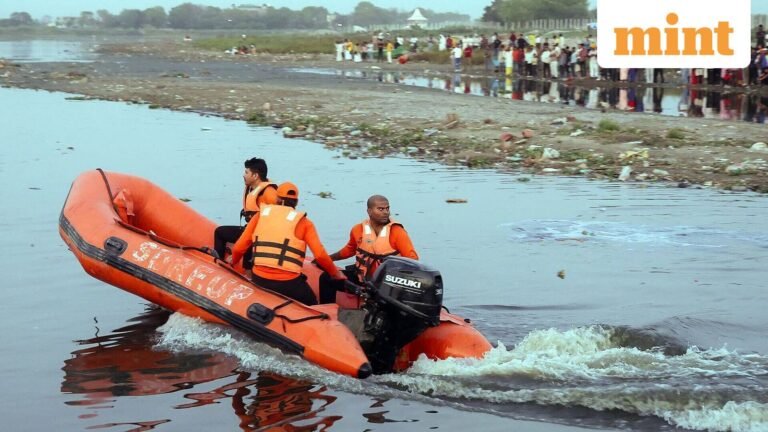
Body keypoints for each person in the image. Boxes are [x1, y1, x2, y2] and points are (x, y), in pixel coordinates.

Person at [229, 182, 345, 305]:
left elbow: (239, 247)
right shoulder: (305, 223)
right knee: (312, 304)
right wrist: (335, 273)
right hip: (288, 282)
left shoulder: (259, 216)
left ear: (277, 199)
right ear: (296, 202)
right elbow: (320, 255)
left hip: (259, 278)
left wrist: (234, 260)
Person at [330, 195, 418, 286]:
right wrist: (329, 259)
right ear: (369, 211)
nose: (386, 212)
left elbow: (412, 259)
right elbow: (349, 250)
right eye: (380, 209)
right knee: (327, 278)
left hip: (387, 285)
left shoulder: (397, 231)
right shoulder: (358, 229)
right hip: (362, 279)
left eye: (387, 209)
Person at [213, 158, 277, 265]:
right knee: (220, 232)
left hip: (261, 235)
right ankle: (218, 264)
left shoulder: (269, 192)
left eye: (246, 172)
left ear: (255, 176)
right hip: (250, 230)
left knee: (248, 244)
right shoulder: (251, 188)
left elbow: (280, 214)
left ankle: (245, 270)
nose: (243, 175)